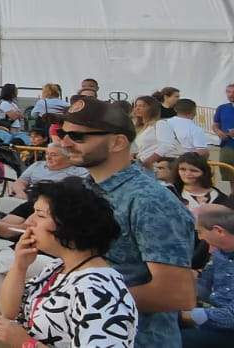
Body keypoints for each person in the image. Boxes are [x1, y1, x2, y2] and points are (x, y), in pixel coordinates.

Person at [55, 97, 196, 347]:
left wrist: (77, 298)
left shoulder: (150, 201)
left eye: (78, 136)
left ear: (118, 142)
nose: (64, 142)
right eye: (62, 133)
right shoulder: (87, 188)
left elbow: (176, 294)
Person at [0, 177, 137, 348]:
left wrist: (26, 343)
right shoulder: (58, 267)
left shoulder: (98, 291)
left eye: (40, 215)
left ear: (69, 225)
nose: (29, 222)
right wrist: (20, 266)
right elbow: (9, 312)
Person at [182, 205, 234, 348]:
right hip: (213, 320)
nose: (199, 238)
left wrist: (184, 315)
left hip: (228, 328)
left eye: (200, 232)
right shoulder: (219, 255)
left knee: (172, 340)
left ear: (218, 231)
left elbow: (231, 317)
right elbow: (204, 287)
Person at [215, 84, 234, 182]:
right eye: (229, 92)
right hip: (227, 146)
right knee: (231, 178)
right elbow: (215, 124)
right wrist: (218, 131)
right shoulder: (221, 108)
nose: (231, 95)